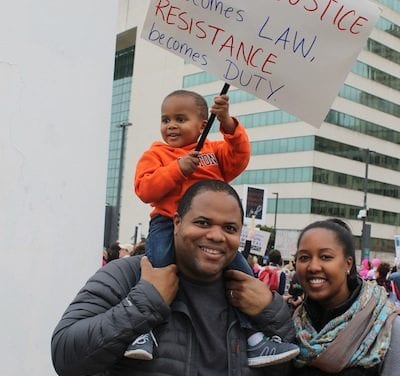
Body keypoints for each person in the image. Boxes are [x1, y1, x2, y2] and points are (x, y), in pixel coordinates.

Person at [51, 180, 298, 375]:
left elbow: (286, 367)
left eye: (229, 228)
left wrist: (271, 311)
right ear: (177, 223)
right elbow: (65, 356)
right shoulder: (130, 275)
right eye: (202, 222)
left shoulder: (254, 295)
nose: (216, 235)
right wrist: (145, 302)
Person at [131, 89, 293, 363]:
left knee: (243, 278)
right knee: (158, 271)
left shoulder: (213, 151)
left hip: (211, 232)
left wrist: (228, 123)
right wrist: (177, 169)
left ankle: (254, 338)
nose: (170, 126)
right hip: (166, 223)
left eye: (180, 119)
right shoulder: (157, 153)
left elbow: (239, 156)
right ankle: (142, 331)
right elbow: (144, 189)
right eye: (165, 119)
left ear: (203, 125)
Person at [291, 218, 399, 375]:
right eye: (304, 257)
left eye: (325, 257)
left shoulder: (387, 327)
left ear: (348, 264)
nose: (313, 267)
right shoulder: (291, 324)